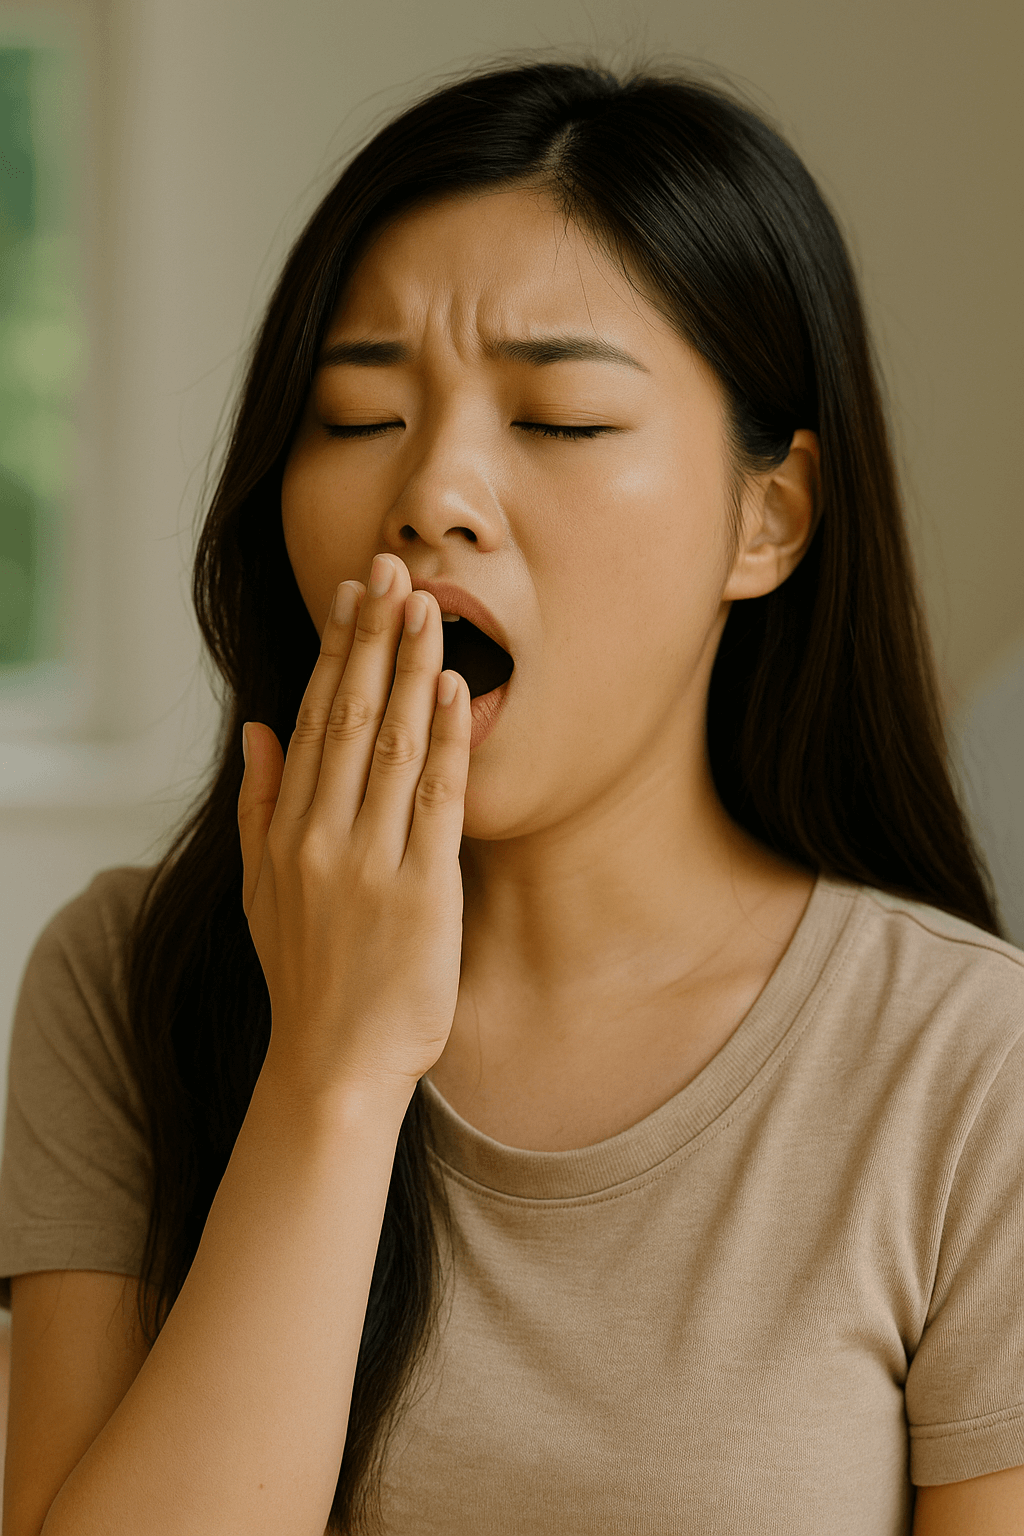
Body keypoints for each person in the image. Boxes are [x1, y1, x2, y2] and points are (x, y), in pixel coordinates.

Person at [1, 58, 1022, 1536]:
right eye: (355, 419)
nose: (434, 494)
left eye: (559, 421)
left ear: (769, 517)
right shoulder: (124, 978)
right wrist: (333, 1076)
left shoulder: (969, 1066)